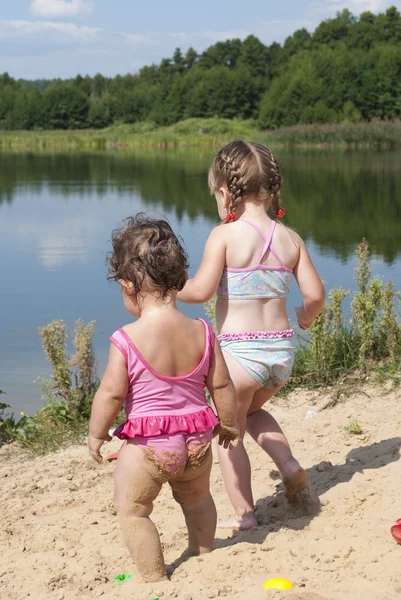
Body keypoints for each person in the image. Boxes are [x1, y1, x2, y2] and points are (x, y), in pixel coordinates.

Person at [178, 141, 325, 530]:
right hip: (281, 353)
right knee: (254, 412)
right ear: (271, 188)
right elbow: (315, 295)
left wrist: (168, 289)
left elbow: (201, 291)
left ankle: (244, 513)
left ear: (225, 192)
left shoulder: (224, 236)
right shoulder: (290, 238)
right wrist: (306, 318)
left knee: (229, 434)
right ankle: (289, 465)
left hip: (239, 357)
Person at [88, 214, 239, 582]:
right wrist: (231, 424)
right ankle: (204, 555)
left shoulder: (126, 339)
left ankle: (155, 577)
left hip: (150, 446)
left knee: (134, 511)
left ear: (127, 287)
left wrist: (96, 434)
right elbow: (222, 385)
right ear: (180, 278)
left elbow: (110, 393)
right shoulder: (202, 331)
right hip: (198, 443)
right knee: (198, 500)